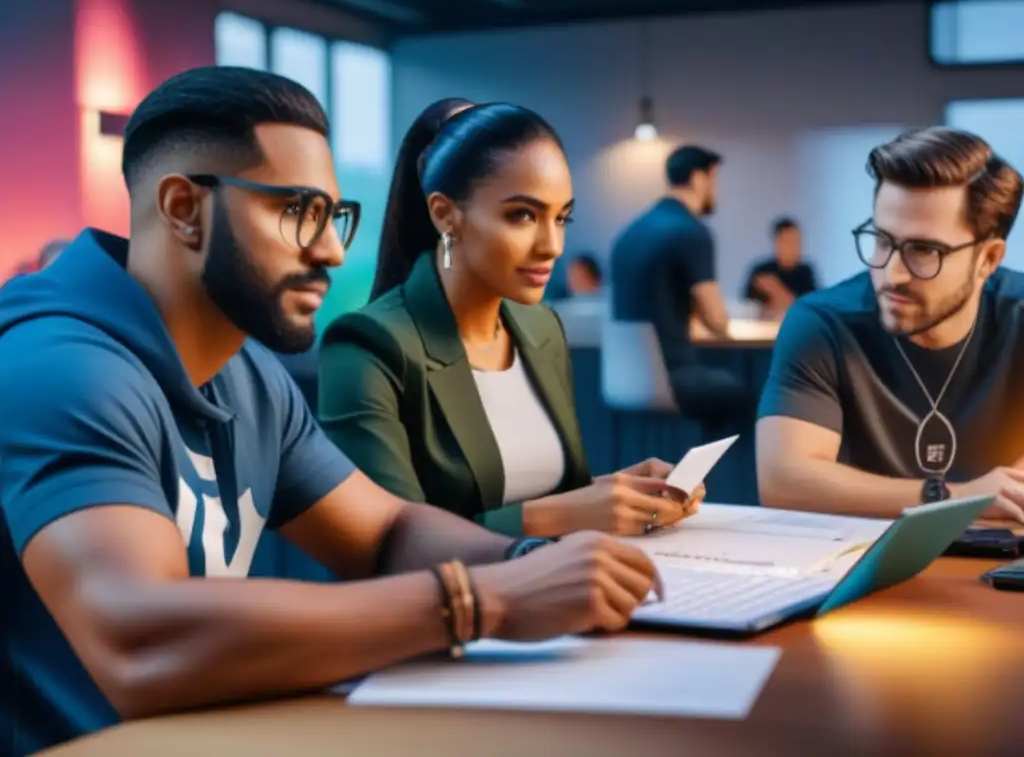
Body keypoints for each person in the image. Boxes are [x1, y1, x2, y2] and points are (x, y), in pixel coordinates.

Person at [0, 68, 664, 756]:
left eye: (334, 216)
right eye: (298, 213)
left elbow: (387, 532)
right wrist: (486, 600)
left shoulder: (248, 373)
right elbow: (140, 643)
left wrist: (538, 563)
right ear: (182, 208)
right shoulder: (59, 368)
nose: (332, 251)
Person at [318, 100, 703, 538]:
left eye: (562, 217)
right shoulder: (368, 346)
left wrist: (619, 492)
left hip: (566, 586)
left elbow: (550, 495)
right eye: (523, 215)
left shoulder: (541, 328)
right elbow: (390, 543)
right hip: (452, 602)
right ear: (445, 214)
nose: (553, 245)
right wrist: (567, 513)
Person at [756, 126, 1024, 525]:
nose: (891, 274)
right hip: (855, 567)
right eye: (882, 240)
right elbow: (783, 481)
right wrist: (955, 498)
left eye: (924, 250)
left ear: (987, 259)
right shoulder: (823, 323)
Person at [609, 144, 752, 422]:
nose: (715, 190)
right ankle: (722, 465)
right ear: (699, 178)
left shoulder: (630, 232)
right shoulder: (690, 231)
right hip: (671, 375)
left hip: (622, 379)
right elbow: (717, 321)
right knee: (751, 394)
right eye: (714, 180)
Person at [743, 217, 817, 319]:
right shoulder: (762, 271)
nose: (794, 246)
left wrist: (776, 290)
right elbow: (749, 308)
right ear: (777, 242)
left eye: (797, 241)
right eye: (788, 241)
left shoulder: (806, 272)